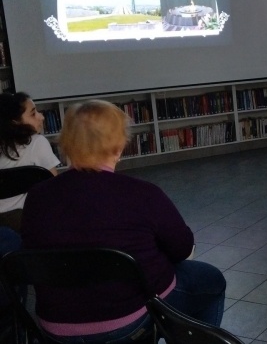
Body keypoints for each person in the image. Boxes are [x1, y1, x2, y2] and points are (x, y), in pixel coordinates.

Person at [21, 100, 226, 343]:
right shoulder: (143, 194)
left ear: (67, 143)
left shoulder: (37, 196)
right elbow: (182, 249)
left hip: (55, 328)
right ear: (119, 145)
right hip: (129, 322)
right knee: (210, 279)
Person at [0, 92, 60, 231]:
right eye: (33, 114)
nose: (42, 117)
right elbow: (54, 189)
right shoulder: (37, 143)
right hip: (25, 221)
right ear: (15, 122)